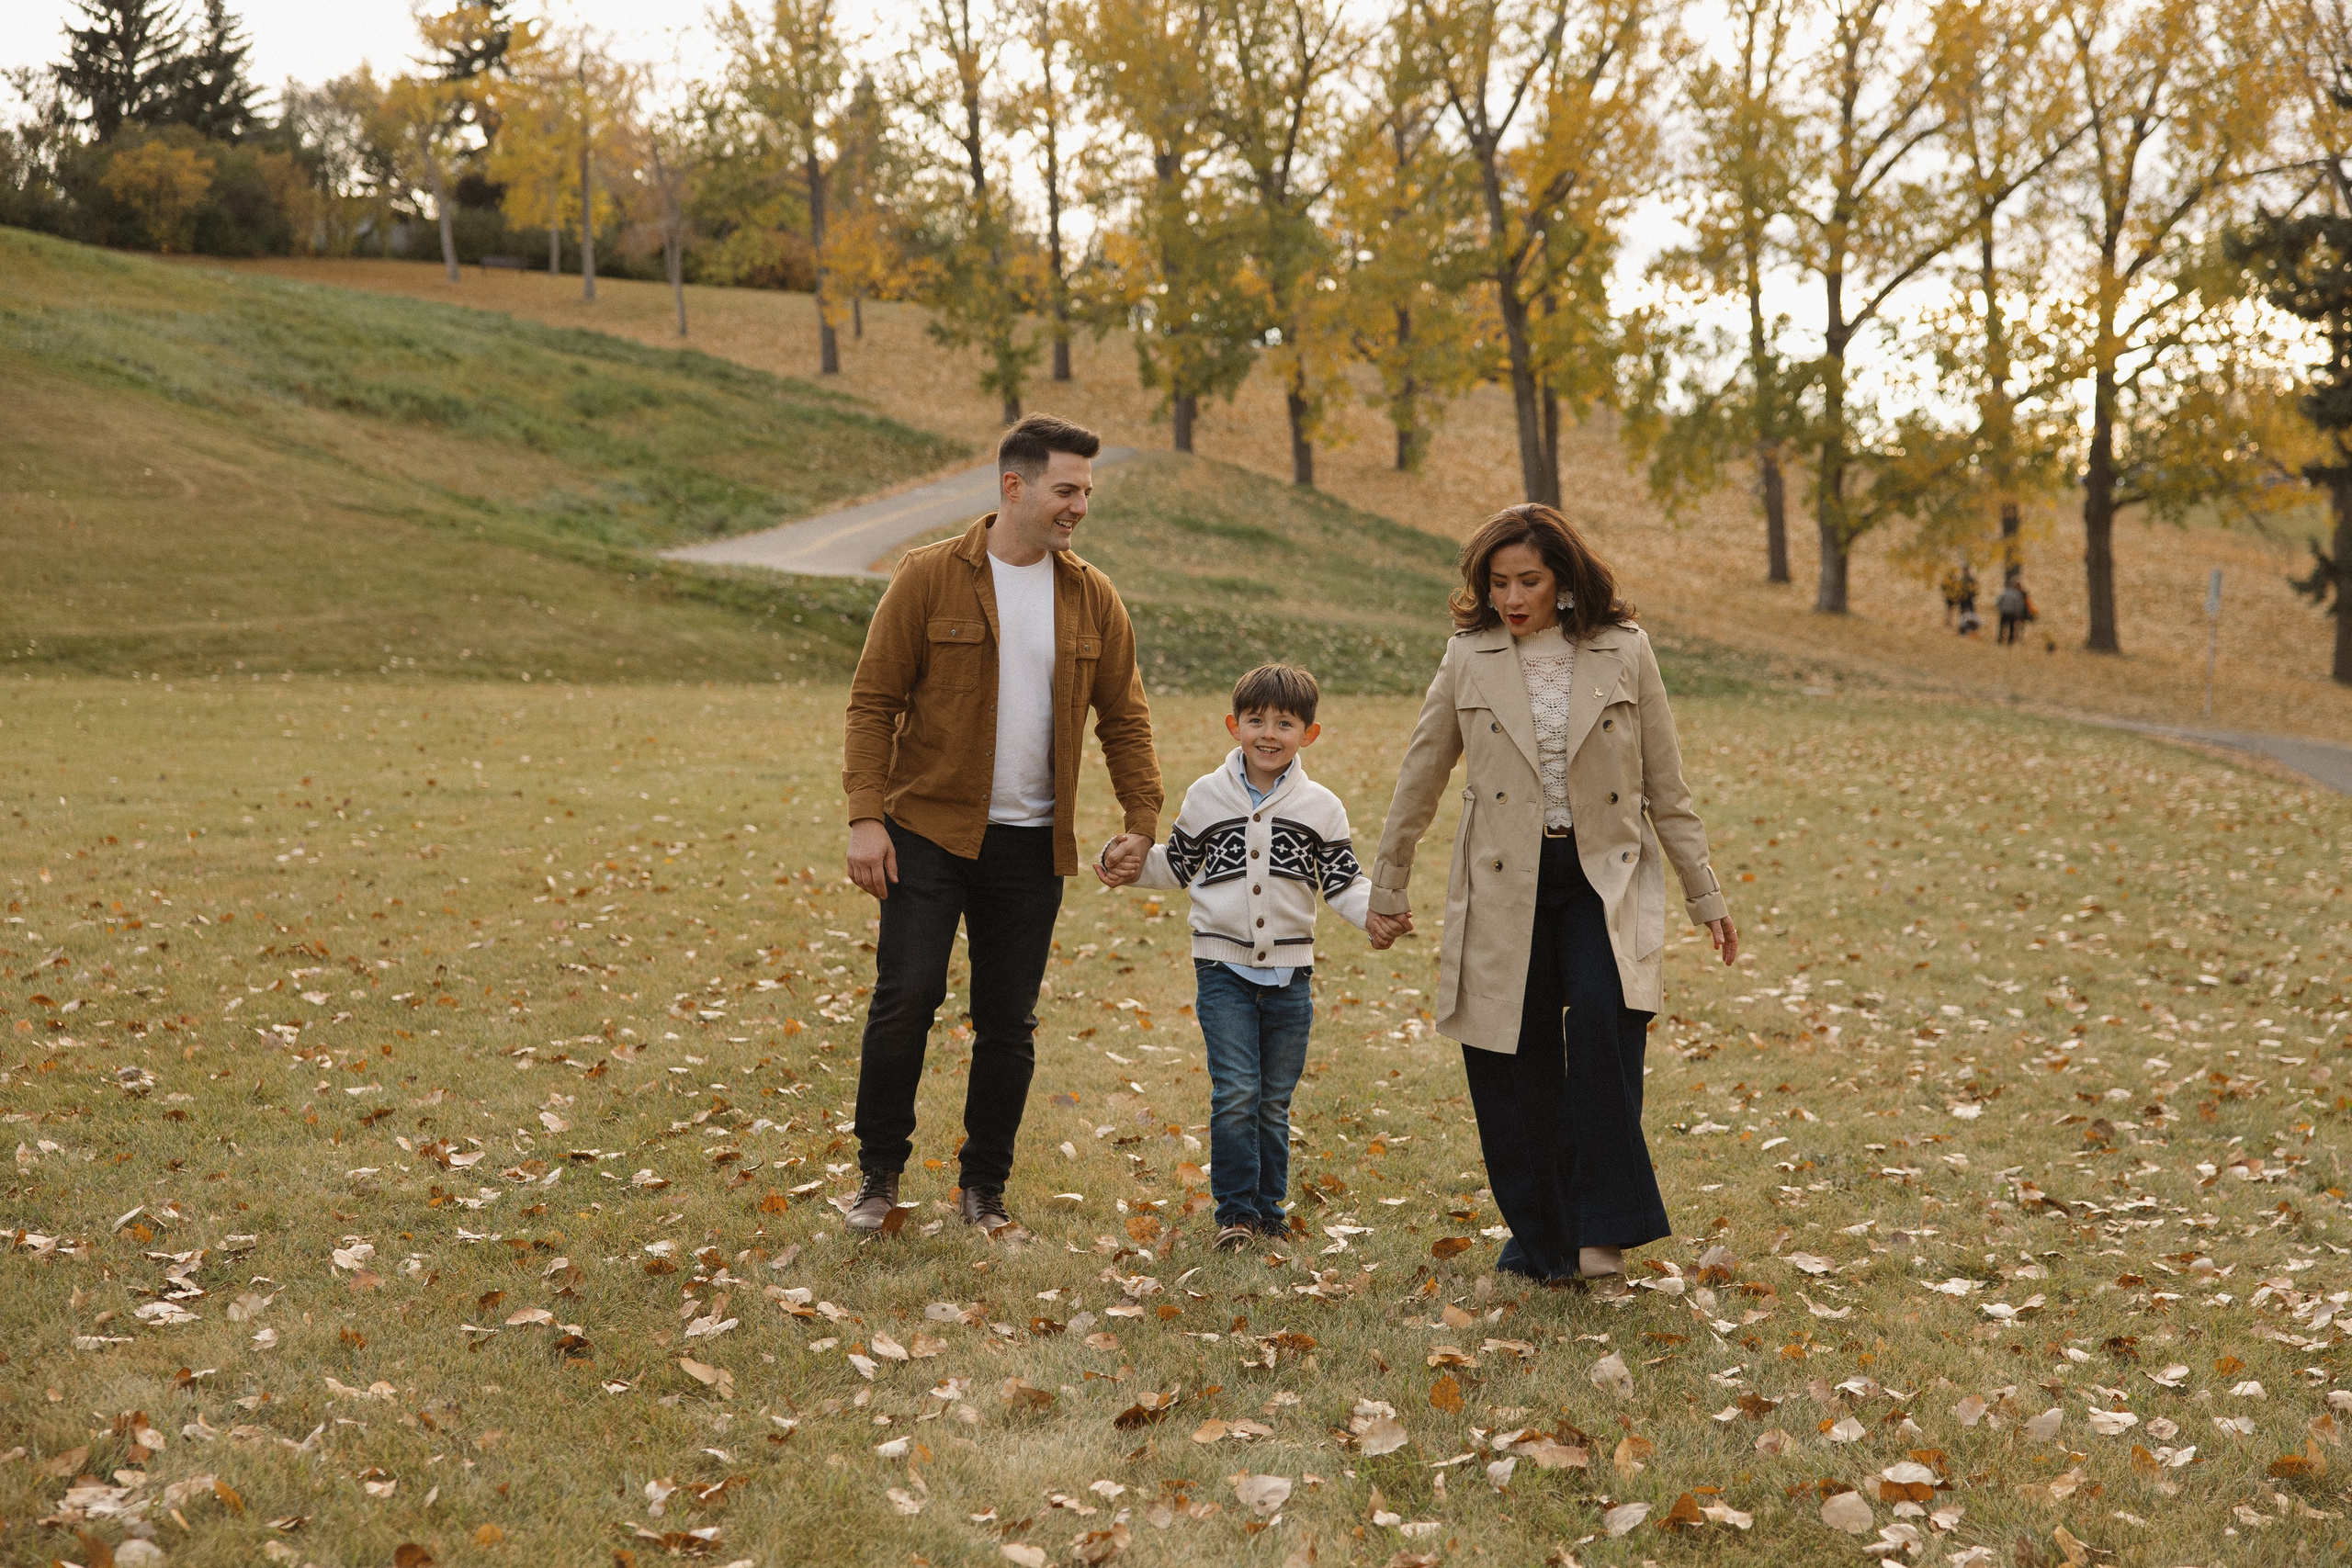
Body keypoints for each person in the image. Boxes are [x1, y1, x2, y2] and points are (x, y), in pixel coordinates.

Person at [1363, 503, 1737, 1284]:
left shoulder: (1625, 651)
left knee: (1608, 1022)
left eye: (1528, 579)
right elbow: (1421, 772)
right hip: (1502, 879)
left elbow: (1666, 786)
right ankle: (1544, 1239)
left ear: (1564, 579)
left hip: (1603, 876)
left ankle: (1602, 1227)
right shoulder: (1468, 656)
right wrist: (1388, 881)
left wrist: (1707, 896)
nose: (1512, 596)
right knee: (1510, 1056)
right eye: (1498, 582)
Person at [839, 413, 1162, 1236]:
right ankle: (877, 1177)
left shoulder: (1093, 595)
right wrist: (864, 817)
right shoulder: (927, 577)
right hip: (926, 830)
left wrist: (1142, 818)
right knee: (907, 996)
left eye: (1087, 491)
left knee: (1007, 1020)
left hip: (1032, 842)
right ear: (1013, 486)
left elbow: (1123, 716)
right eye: (1066, 489)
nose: (1079, 507)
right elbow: (874, 701)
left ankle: (984, 1187)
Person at [1100, 664, 1371, 1251]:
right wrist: (1126, 862)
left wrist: (1380, 914)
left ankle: (1270, 1211)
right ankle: (1236, 1217)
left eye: (1284, 723)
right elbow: (1176, 863)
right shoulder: (1207, 796)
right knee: (1237, 1091)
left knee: (1273, 1100)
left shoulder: (1322, 808)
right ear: (1234, 725)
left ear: (1310, 733)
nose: (1268, 734)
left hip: (1290, 976)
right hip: (1221, 968)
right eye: (1255, 721)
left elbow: (1344, 883)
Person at [1996, 576, 2028, 646]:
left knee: (2002, 626)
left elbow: (1999, 601)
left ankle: (2000, 640)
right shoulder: (2018, 595)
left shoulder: (2005, 592)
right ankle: (2010, 642)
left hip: (2004, 612)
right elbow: (2019, 606)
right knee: (2011, 628)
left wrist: (2000, 609)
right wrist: (2019, 615)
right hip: (2012, 613)